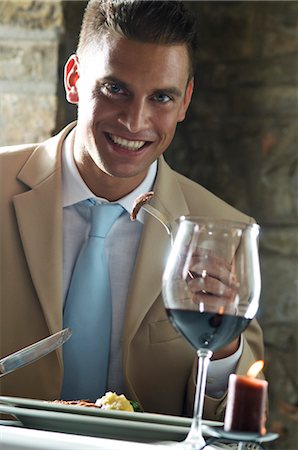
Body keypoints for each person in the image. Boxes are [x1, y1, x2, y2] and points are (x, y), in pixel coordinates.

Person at [0, 0, 263, 420]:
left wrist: (224, 348)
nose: (134, 121)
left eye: (161, 97)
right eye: (115, 88)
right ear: (74, 79)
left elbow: (235, 424)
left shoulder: (227, 232)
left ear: (184, 102)